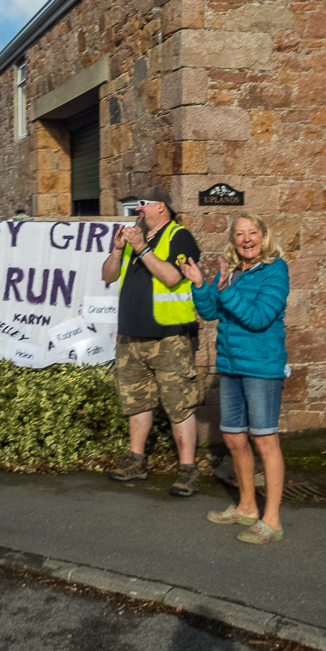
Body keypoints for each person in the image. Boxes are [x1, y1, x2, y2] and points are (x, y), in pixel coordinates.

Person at [180, 214, 289, 544]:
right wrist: (201, 283)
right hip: (232, 367)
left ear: (264, 236)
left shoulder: (275, 270)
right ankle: (246, 508)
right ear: (233, 240)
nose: (246, 239)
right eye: (240, 234)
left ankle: (271, 520)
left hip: (260, 368)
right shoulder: (234, 271)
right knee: (233, 439)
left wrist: (225, 289)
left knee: (264, 440)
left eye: (252, 232)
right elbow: (212, 311)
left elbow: (258, 318)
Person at [101, 186, 203, 497]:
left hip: (168, 336)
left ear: (162, 207)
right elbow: (107, 275)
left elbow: (172, 278)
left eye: (143, 205)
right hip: (132, 334)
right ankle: (136, 460)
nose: (138, 210)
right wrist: (119, 250)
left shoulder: (179, 236)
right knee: (136, 401)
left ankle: (187, 470)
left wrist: (142, 247)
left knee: (179, 403)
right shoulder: (134, 240)